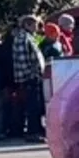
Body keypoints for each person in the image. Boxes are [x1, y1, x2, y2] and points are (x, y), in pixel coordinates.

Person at [12, 15, 46, 143]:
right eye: (34, 25)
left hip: (34, 76)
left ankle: (37, 129)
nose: (36, 28)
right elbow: (22, 60)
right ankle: (32, 132)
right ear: (27, 25)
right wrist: (31, 75)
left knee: (37, 105)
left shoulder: (29, 38)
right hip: (29, 78)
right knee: (32, 106)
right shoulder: (22, 38)